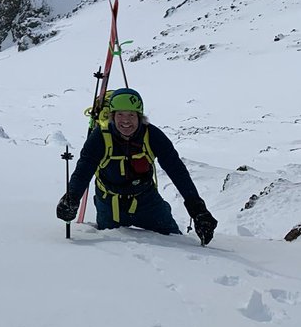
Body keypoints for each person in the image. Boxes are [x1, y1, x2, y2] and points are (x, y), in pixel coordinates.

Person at [56, 87, 218, 244]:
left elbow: (176, 170)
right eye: (120, 115)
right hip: (109, 203)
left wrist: (197, 209)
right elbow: (84, 170)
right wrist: (72, 198)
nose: (126, 120)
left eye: (131, 115)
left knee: (173, 240)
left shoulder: (152, 135)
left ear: (140, 116)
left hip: (147, 201)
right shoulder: (99, 138)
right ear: (112, 116)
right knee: (114, 252)